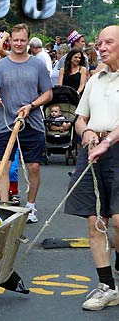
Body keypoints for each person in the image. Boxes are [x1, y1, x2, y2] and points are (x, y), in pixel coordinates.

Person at [65, 25, 119, 311]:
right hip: (93, 149)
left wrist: (107, 141)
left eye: (109, 42)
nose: (102, 46)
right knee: (95, 220)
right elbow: (80, 117)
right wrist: (86, 133)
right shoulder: (95, 80)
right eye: (99, 42)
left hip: (114, 148)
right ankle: (107, 286)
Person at [0, 23, 53, 223]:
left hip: (31, 122)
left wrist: (31, 105)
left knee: (33, 166)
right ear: (10, 41)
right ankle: (5, 207)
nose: (18, 44)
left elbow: (48, 93)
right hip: (5, 122)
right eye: (15, 40)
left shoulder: (38, 65)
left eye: (22, 40)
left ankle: (31, 206)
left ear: (28, 41)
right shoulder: (0, 66)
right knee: (3, 165)